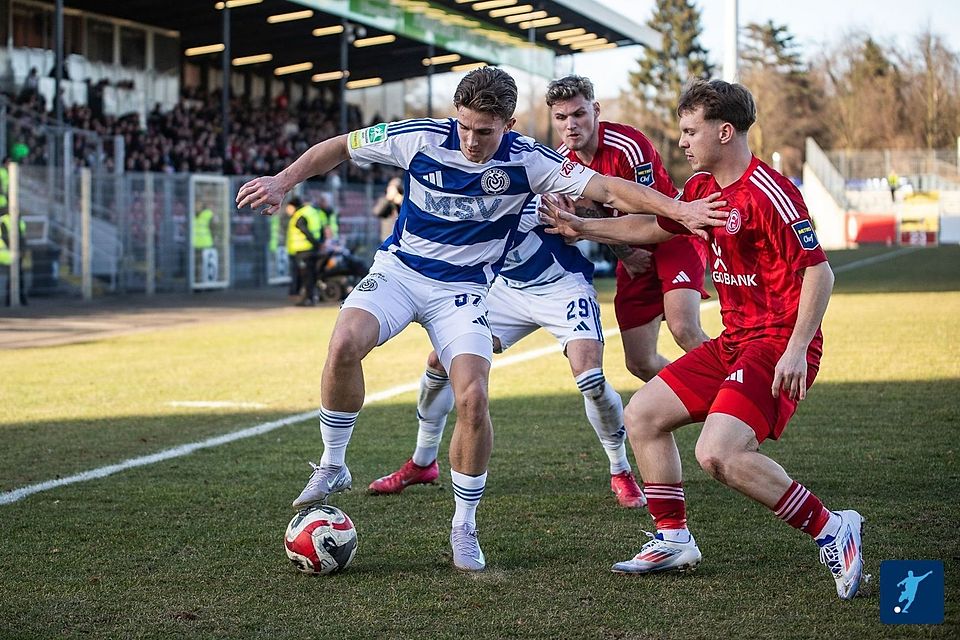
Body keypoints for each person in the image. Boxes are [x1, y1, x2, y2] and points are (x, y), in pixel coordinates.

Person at [236, 67, 725, 572]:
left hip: (464, 291)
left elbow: (609, 188)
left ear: (509, 125)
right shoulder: (419, 137)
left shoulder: (533, 161)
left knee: (472, 395)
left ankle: (463, 527)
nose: (471, 141)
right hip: (402, 271)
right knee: (343, 344)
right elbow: (339, 146)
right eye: (465, 127)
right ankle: (333, 464)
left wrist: (678, 210)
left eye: (485, 131)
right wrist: (282, 180)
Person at [539, 79, 864, 600]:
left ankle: (833, 528)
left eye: (692, 131)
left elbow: (819, 273)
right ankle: (673, 539)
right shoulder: (698, 191)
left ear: (725, 130)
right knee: (641, 416)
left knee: (719, 455)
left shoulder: (770, 192)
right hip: (734, 341)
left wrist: (798, 348)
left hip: (775, 342)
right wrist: (583, 227)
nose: (684, 142)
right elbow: (652, 228)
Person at [367, 198, 646, 509]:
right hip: (506, 291)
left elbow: (582, 205)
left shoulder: (527, 193)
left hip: (562, 287)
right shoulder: (459, 205)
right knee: (439, 362)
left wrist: (588, 226)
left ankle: (620, 470)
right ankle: (423, 462)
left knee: (590, 378)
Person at [547, 75, 709, 382]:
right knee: (640, 362)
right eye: (561, 117)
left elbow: (647, 213)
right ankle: (700, 393)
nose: (571, 124)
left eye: (579, 113)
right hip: (629, 249)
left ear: (595, 110)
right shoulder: (558, 164)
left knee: (683, 328)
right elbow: (587, 216)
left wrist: (590, 226)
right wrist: (625, 253)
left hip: (672, 235)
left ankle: (740, 387)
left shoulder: (627, 145)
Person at [284, 196, 323, 306]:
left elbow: (305, 231)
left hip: (303, 251)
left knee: (306, 276)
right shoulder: (310, 212)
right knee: (310, 275)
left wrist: (316, 243)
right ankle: (309, 298)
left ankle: (308, 299)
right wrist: (318, 244)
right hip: (310, 250)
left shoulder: (299, 216)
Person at [1, 205, 28, 306]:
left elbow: (22, 237)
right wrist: (13, 250)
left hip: (17, 251)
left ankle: (19, 298)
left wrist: (22, 250)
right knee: (13, 275)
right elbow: (4, 238)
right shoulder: (4, 221)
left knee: (18, 274)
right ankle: (11, 299)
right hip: (5, 252)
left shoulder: (19, 221)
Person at [372, 176, 403, 241]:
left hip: (401, 238)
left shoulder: (403, 201)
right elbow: (376, 212)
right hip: (387, 237)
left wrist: (399, 200)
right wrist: (387, 199)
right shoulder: (383, 200)